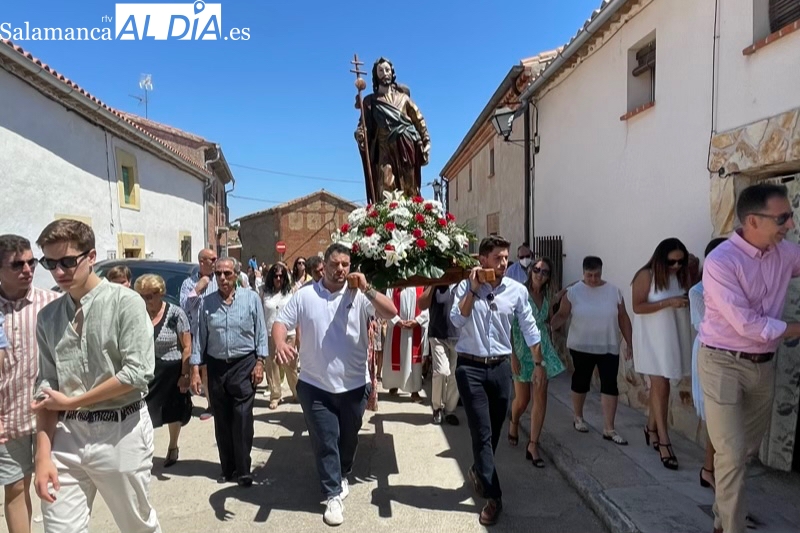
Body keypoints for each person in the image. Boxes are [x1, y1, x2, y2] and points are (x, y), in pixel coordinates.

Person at [32, 219, 160, 532]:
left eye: (66, 262)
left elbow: (137, 372)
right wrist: (42, 456)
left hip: (122, 429)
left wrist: (74, 400)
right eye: (50, 263)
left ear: (91, 258)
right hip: (68, 435)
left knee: (137, 526)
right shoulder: (48, 316)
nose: (58, 272)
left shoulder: (125, 303)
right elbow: (47, 390)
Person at [698, 183, 800, 533]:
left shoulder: (785, 253)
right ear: (753, 221)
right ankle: (731, 528)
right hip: (722, 364)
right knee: (731, 455)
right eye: (783, 217)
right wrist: (795, 328)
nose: (790, 224)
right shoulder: (720, 262)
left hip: (763, 367)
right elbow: (746, 324)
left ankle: (720, 518)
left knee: (742, 455)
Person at [272, 243, 397, 527]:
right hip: (315, 385)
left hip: (354, 385)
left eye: (346, 264)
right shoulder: (305, 296)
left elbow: (390, 312)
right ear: (323, 266)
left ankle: (342, 471)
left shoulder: (360, 294)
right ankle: (331, 495)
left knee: (348, 439)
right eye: (335, 264)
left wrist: (367, 288)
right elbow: (281, 321)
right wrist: (280, 342)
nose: (341, 269)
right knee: (326, 439)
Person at [450, 235, 542, 527]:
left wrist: (538, 363)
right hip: (470, 368)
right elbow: (456, 320)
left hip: (501, 368)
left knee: (494, 429)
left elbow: (529, 326)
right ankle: (494, 497)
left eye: (506, 258)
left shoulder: (516, 290)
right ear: (482, 260)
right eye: (498, 258)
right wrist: (474, 291)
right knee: (481, 431)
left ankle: (480, 469)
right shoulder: (464, 287)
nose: (504, 263)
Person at [190, 257, 267, 488]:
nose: (222, 278)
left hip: (244, 365)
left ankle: (244, 470)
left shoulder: (251, 299)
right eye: (218, 274)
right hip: (216, 366)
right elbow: (199, 338)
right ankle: (228, 468)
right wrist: (195, 370)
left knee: (242, 418)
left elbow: (260, 333)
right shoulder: (207, 303)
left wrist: (260, 362)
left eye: (227, 274)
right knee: (222, 419)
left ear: (236, 274)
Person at [0, 235, 59, 533]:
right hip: (7, 420)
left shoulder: (52, 304)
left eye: (31, 262)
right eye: (17, 264)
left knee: (56, 489)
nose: (27, 269)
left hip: (50, 415)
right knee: (15, 490)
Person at [551, 256, 633, 445]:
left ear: (602, 272)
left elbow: (623, 317)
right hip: (581, 346)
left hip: (608, 345)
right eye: (589, 275)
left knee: (610, 384)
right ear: (583, 273)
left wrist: (629, 342)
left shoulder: (614, 292)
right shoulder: (573, 292)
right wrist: (549, 328)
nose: (593, 279)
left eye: (597, 275)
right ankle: (578, 417)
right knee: (581, 381)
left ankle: (609, 428)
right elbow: (562, 314)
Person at [632, 238, 693, 470]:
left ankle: (651, 429)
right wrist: (669, 303)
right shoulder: (646, 275)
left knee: (663, 385)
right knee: (661, 386)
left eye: (681, 261)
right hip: (652, 339)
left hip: (671, 338)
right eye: (672, 261)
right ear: (660, 258)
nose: (676, 266)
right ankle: (665, 441)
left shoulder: (680, 275)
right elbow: (637, 306)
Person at [509, 257, 567, 467]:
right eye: (536, 269)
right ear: (530, 270)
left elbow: (549, 318)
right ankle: (514, 422)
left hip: (542, 350)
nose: (539, 274)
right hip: (520, 347)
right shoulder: (518, 293)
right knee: (522, 400)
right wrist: (512, 355)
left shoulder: (548, 295)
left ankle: (533, 444)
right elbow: (508, 325)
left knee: (540, 397)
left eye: (545, 272)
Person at [134, 274, 193, 468]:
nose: (146, 300)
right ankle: (143, 453)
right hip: (147, 370)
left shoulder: (175, 314)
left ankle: (173, 446)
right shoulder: (137, 312)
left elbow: (186, 347)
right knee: (144, 413)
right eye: (142, 296)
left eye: (150, 296)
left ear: (161, 294)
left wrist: (185, 375)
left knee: (173, 411)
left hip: (171, 370)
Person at [355, 57, 431, 202]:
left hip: (406, 146)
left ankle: (414, 222)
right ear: (376, 75)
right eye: (381, 70)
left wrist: (426, 140)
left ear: (392, 72)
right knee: (386, 185)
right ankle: (386, 223)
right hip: (385, 149)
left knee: (409, 187)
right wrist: (360, 134)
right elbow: (363, 126)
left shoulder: (404, 98)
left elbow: (418, 119)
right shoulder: (370, 101)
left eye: (387, 70)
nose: (385, 73)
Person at [689, 237, 727, 489]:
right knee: (717, 416)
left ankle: (710, 470)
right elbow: (707, 324)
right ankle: (710, 470)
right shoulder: (698, 291)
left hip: (736, 354)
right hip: (711, 352)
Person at [180, 248, 218, 421]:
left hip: (216, 331)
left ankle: (216, 404)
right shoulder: (188, 283)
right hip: (197, 333)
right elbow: (184, 307)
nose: (215, 261)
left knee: (213, 369)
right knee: (200, 369)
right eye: (212, 259)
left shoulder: (219, 279)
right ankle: (206, 404)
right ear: (202, 261)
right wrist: (198, 289)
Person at [419, 284, 460, 425]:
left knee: (454, 375)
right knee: (441, 371)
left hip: (458, 337)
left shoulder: (463, 283)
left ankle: (450, 410)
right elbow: (421, 304)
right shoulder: (436, 284)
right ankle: (437, 407)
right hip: (437, 335)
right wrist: (433, 284)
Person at [261, 263, 298, 409]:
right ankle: (275, 395)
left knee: (291, 366)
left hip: (289, 334)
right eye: (275, 276)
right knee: (272, 366)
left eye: (281, 276)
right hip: (270, 334)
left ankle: (297, 393)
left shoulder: (292, 292)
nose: (278, 279)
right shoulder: (264, 292)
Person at [382, 286, 428, 401]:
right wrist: (397, 321)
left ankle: (414, 390)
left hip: (414, 331)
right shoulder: (394, 285)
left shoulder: (421, 286)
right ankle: (394, 384)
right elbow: (387, 304)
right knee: (395, 358)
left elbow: (426, 308)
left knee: (413, 362)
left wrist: (417, 321)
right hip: (396, 329)